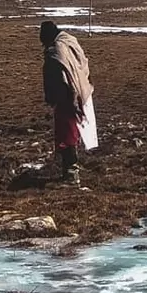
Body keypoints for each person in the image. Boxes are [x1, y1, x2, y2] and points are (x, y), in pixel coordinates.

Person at [41, 21, 97, 186]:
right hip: (79, 91)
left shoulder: (56, 52)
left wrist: (54, 97)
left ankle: (72, 174)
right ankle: (70, 169)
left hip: (67, 98)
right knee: (71, 133)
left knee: (67, 135)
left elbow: (60, 77)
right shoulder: (69, 41)